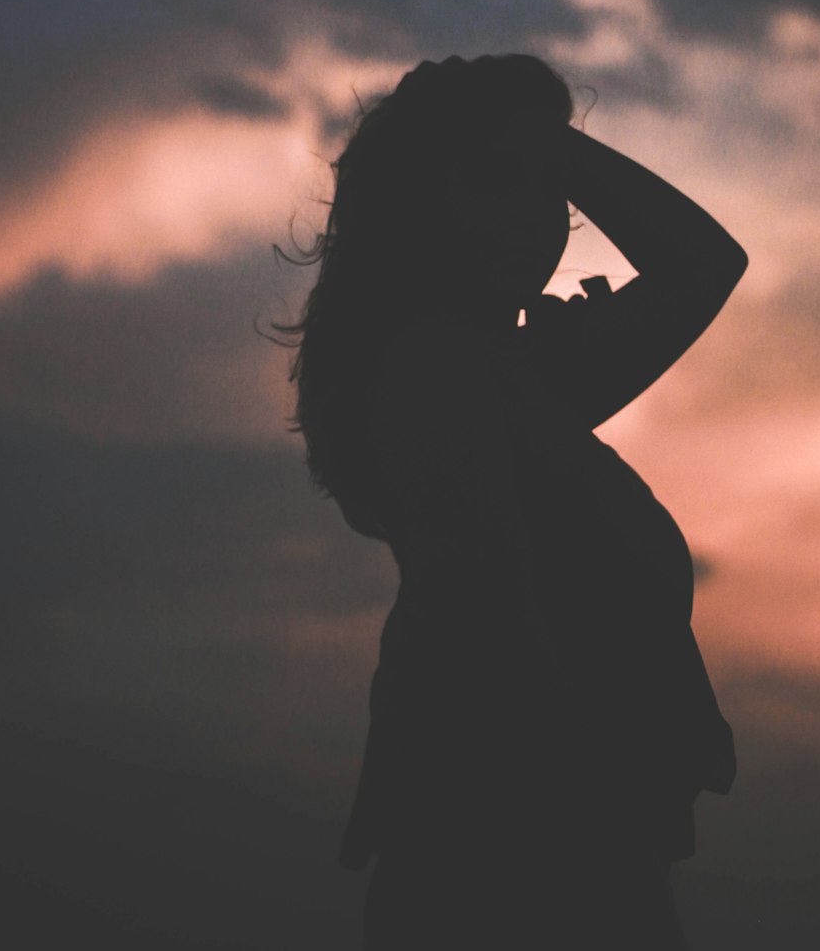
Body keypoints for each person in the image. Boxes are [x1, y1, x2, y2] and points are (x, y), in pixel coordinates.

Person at [278, 54, 748, 949]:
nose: (533, 217)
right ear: (417, 204)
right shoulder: (437, 378)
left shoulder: (508, 376)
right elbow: (502, 635)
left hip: (558, 858)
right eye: (492, 180)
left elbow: (704, 265)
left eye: (545, 190)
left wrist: (548, 147)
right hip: (526, 870)